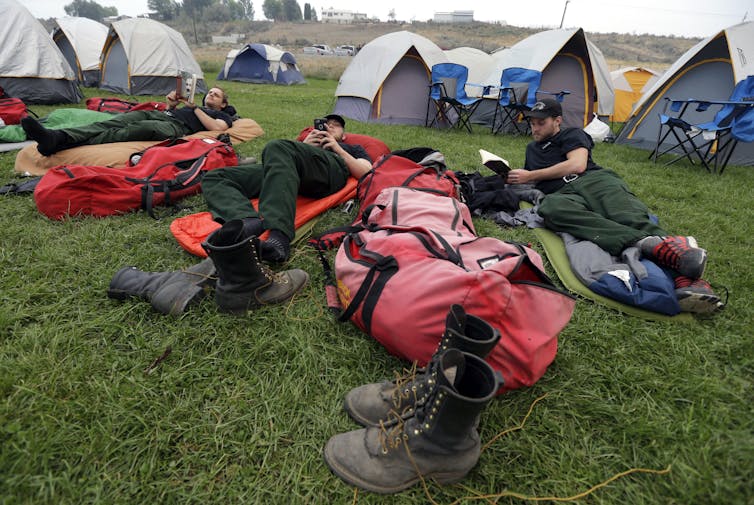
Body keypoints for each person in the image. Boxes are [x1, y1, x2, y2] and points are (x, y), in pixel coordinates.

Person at [505, 98, 722, 314]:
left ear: (557, 120)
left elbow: (577, 165)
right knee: (551, 210)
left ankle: (688, 281)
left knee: (631, 217)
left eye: (541, 122)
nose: (535, 127)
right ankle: (650, 244)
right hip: (561, 194)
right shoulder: (531, 149)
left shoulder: (572, 134)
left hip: (594, 181)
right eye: (532, 122)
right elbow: (532, 181)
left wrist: (530, 175)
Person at [201, 113, 373, 263]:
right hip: (294, 168)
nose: (330, 126)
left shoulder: (352, 148)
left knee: (277, 146)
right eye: (327, 124)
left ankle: (279, 237)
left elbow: (366, 172)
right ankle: (247, 220)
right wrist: (304, 145)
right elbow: (282, 158)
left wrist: (337, 149)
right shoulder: (300, 145)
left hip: (330, 170)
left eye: (336, 126)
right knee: (215, 176)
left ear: (344, 136)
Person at [20, 87, 237, 156]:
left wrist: (195, 107)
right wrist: (172, 104)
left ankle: (60, 140)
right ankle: (57, 137)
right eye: (209, 92)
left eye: (216, 95)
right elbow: (174, 111)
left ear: (223, 104)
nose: (210, 95)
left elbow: (216, 129)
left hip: (175, 128)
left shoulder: (222, 115)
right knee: (114, 122)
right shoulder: (193, 106)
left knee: (136, 129)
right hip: (163, 115)